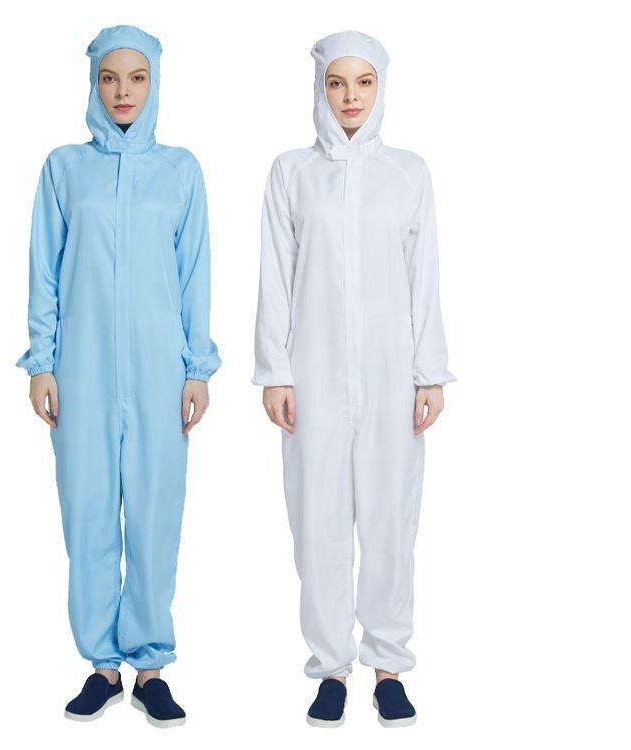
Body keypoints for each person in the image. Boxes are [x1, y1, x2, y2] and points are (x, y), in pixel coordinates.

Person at [15, 24, 220, 727]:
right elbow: (44, 268)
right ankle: (103, 666)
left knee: (157, 513)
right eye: (110, 77)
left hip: (162, 370)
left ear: (154, 83)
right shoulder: (64, 168)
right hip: (82, 369)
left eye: (136, 78)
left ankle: (151, 665)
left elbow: (194, 274)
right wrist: (42, 361)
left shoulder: (181, 170)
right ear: (94, 83)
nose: (123, 91)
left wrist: (197, 368)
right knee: (89, 511)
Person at [252, 30, 456, 728]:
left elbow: (424, 276)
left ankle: (389, 665)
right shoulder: (291, 172)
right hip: (311, 375)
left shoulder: (408, 173)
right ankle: (331, 668)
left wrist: (429, 373)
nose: (349, 97)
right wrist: (275, 371)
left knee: (391, 518)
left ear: (381, 88)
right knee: (317, 522)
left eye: (363, 83)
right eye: (337, 83)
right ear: (319, 88)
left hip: (392, 372)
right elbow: (276, 276)